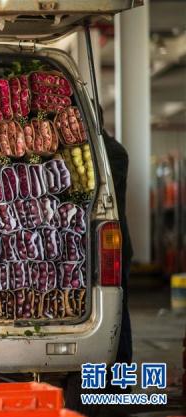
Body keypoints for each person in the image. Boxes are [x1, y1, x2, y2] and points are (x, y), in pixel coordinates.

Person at [98, 107, 134, 365]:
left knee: (117, 310)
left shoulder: (114, 152)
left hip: (114, 244)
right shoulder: (105, 149)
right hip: (108, 242)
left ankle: (119, 377)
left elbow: (101, 182)